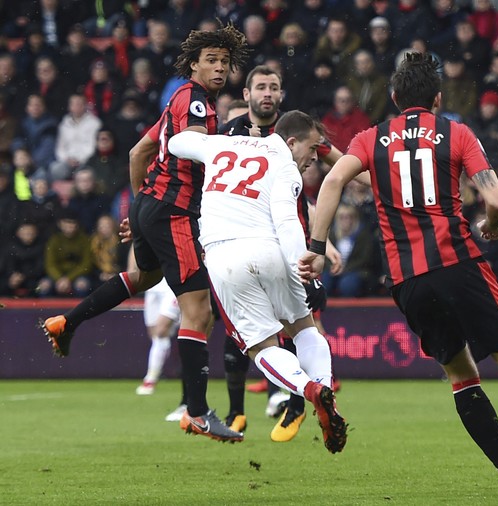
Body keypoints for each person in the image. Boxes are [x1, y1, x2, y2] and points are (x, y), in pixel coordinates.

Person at [299, 52, 498, 494]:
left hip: (407, 279)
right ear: (437, 99)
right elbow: (496, 202)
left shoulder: (370, 139)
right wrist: (492, 228)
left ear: (395, 98)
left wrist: (317, 250)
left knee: (461, 375)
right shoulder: (455, 133)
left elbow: (333, 182)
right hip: (459, 263)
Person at [39, 24, 250, 443]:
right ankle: (197, 411)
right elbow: (193, 145)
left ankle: (68, 321)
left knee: (146, 277)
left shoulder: (178, 99)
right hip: (175, 212)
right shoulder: (194, 102)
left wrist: (138, 208)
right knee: (198, 312)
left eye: (225, 61)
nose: (220, 68)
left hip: (153, 204)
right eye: (211, 60)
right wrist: (234, 149)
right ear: (193, 64)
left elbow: (140, 153)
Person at [167, 111, 348, 454]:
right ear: (291, 141)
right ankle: (325, 395)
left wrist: (201, 140)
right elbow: (286, 220)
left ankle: (310, 391)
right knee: (305, 330)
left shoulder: (221, 144)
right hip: (270, 250)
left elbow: (178, 142)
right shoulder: (284, 165)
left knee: (261, 348)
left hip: (224, 256)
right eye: (312, 148)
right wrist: (304, 262)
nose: (314, 157)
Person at [217, 65, 345, 443]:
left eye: (274, 86)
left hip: (249, 252)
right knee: (300, 325)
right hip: (278, 249)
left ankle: (298, 400)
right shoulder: (235, 136)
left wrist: (320, 243)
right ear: (248, 93)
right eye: (262, 86)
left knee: (261, 338)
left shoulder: (297, 132)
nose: (268, 93)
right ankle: (250, 407)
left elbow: (332, 174)